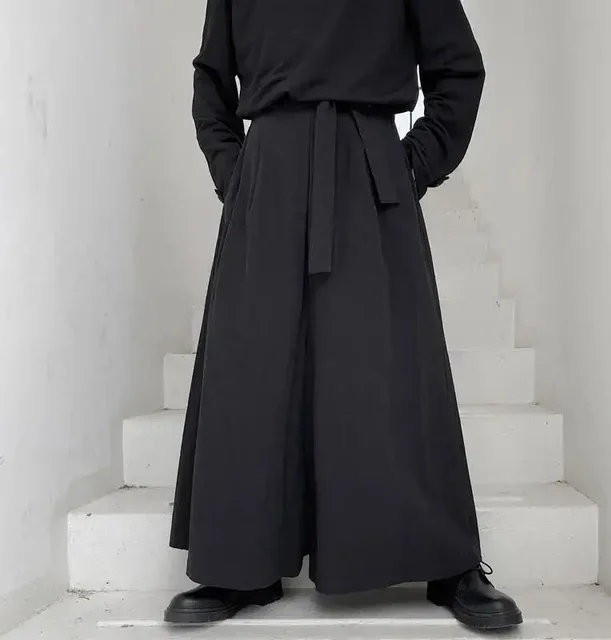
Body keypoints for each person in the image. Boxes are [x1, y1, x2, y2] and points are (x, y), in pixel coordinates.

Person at [164, 0, 523, 631]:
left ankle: (447, 560)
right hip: (268, 173)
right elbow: (211, 80)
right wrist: (236, 173)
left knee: (390, 367)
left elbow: (458, 69)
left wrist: (413, 161)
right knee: (253, 369)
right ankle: (242, 563)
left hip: (368, 166)